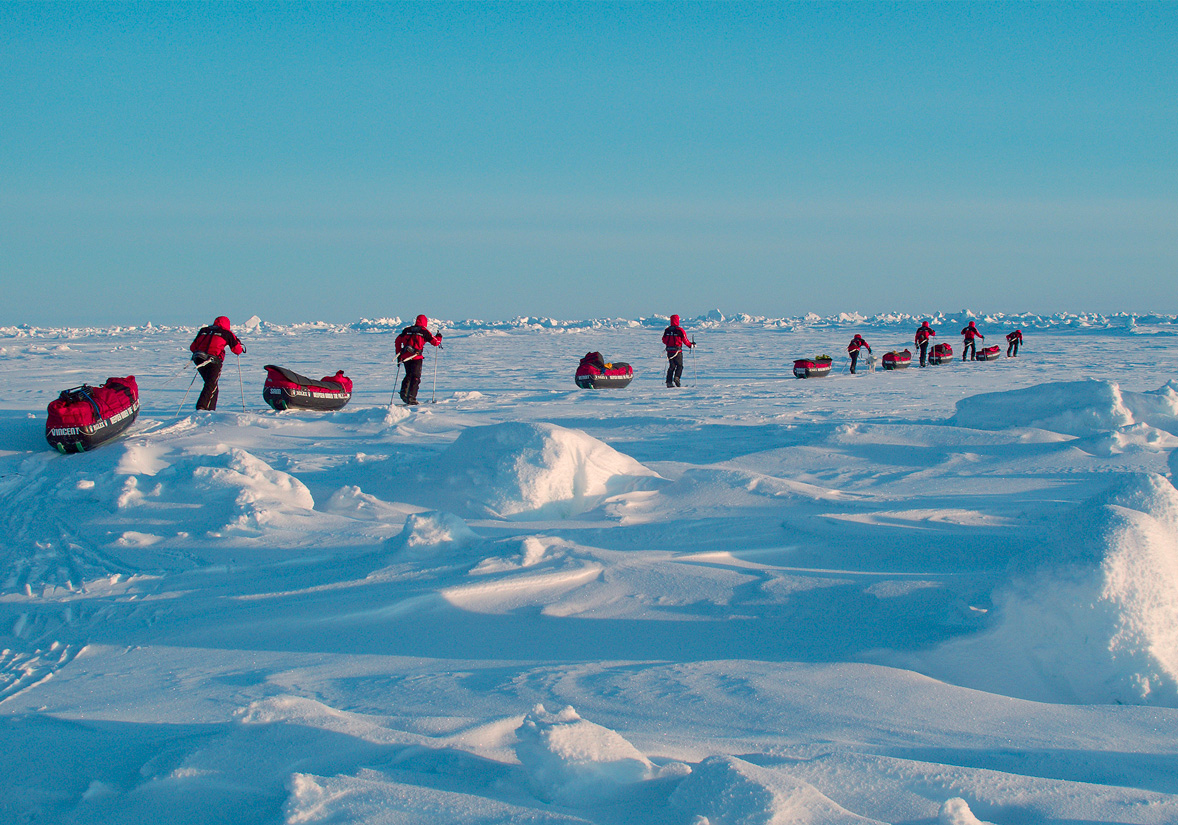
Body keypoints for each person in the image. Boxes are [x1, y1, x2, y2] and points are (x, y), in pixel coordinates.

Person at [189, 316, 246, 410]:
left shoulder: (204, 330)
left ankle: (210, 410)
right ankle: (201, 407)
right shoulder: (227, 333)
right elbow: (237, 350)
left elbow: (192, 347)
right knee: (210, 384)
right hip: (213, 361)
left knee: (212, 385)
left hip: (198, 359)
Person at [395, 314, 442, 405]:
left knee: (409, 374)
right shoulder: (424, 331)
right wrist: (439, 337)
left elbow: (397, 341)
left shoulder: (407, 330)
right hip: (416, 357)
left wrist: (398, 354)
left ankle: (404, 393)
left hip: (405, 357)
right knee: (415, 377)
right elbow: (435, 342)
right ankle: (411, 398)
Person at [661, 314, 695, 387]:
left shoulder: (667, 330)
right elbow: (685, 340)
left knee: (671, 366)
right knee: (679, 366)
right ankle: (677, 377)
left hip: (669, 351)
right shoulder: (680, 330)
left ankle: (669, 382)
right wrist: (691, 345)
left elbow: (664, 340)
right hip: (677, 352)